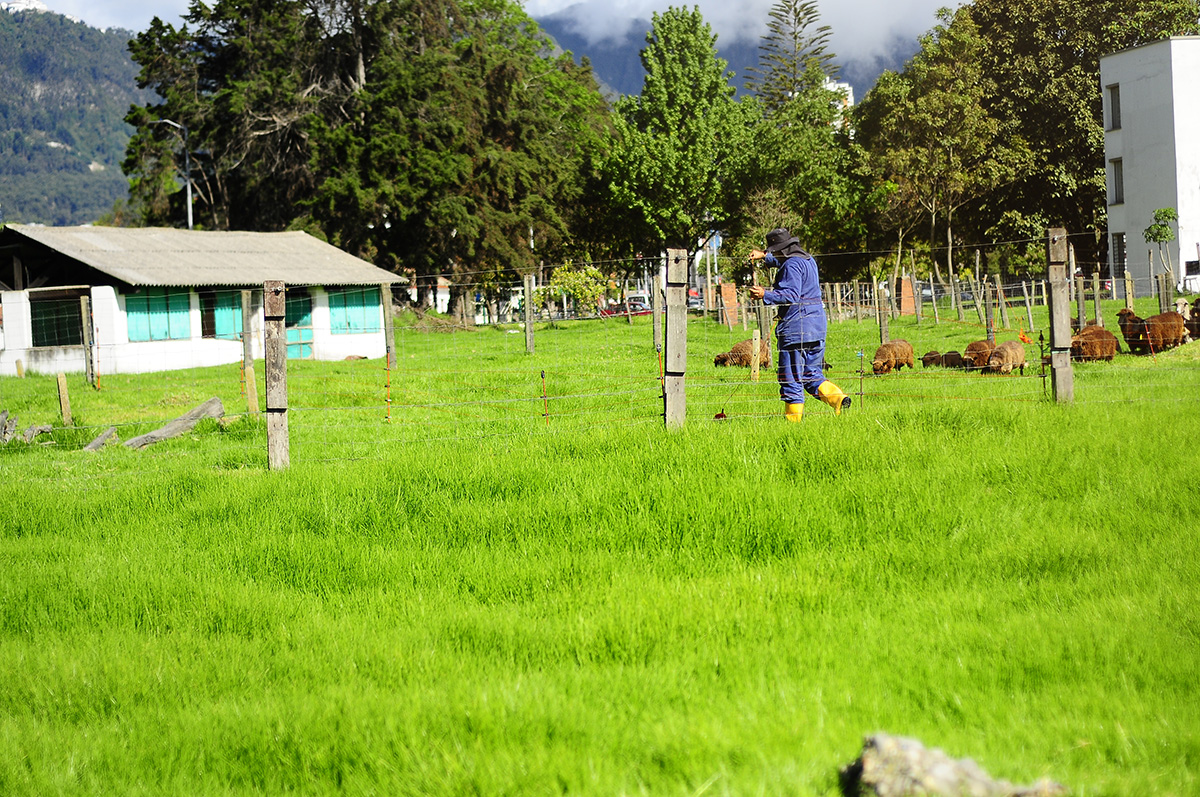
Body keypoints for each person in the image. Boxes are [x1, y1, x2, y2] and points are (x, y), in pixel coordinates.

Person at [747, 227, 851, 422]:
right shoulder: (807, 260)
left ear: (781, 249)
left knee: (791, 377)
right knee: (811, 374)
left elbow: (791, 295)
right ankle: (838, 399)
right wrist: (764, 256)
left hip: (797, 329)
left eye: (774, 250)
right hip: (817, 327)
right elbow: (783, 262)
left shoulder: (791, 266)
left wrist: (764, 294)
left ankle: (792, 425)